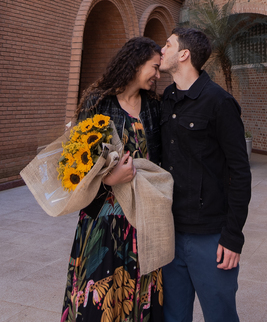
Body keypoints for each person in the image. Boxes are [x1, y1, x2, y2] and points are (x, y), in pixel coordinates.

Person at [63, 36, 165, 322]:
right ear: (135, 63)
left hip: (142, 218)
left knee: (139, 297)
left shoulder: (154, 107)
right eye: (154, 67)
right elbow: (74, 163)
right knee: (100, 299)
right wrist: (110, 180)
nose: (158, 75)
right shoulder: (97, 102)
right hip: (103, 220)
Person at [158, 27, 251, 322]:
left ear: (183, 55)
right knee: (173, 316)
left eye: (168, 45)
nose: (162, 49)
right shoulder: (166, 99)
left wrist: (233, 236)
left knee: (220, 315)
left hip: (210, 238)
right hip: (170, 232)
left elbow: (240, 172)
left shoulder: (218, 102)